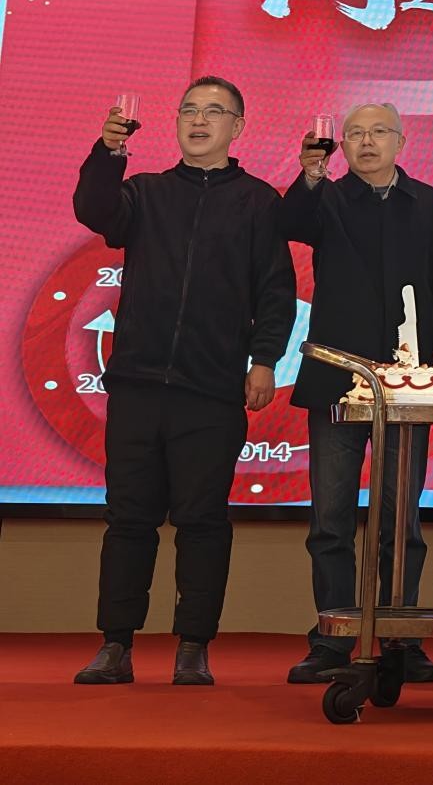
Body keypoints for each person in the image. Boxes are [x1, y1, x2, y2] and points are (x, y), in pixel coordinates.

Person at [71, 76, 296, 685]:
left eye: (213, 111)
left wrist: (264, 360)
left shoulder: (259, 202)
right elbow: (94, 210)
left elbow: (276, 291)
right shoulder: (145, 192)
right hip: (137, 384)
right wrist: (109, 152)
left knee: (202, 523)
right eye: (189, 110)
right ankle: (115, 645)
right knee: (128, 520)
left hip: (211, 391)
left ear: (237, 127)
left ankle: (194, 645)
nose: (198, 120)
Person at [280, 103, 433, 684]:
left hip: (410, 384)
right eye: (355, 133)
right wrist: (310, 174)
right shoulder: (327, 199)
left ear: (401, 141)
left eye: (378, 132)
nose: (366, 141)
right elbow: (291, 221)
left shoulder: (429, 203)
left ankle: (401, 637)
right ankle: (334, 637)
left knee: (400, 521)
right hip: (337, 379)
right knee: (330, 519)